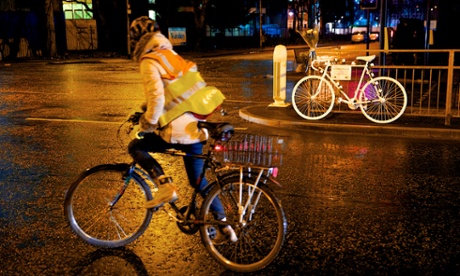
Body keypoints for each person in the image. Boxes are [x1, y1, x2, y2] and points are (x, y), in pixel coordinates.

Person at [128, 21, 237, 242]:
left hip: (177, 131)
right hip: (194, 127)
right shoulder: (173, 56)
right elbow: (176, 94)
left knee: (136, 146)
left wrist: (146, 123)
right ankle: (225, 227)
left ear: (136, 41)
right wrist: (145, 109)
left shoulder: (149, 60)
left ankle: (164, 185)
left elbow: (157, 98)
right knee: (198, 181)